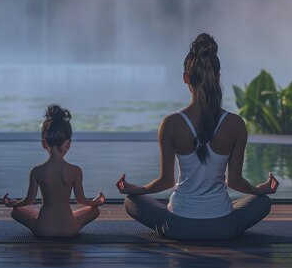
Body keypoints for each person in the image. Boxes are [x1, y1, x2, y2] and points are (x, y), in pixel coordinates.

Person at [116, 33, 279, 240]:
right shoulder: (235, 124)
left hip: (178, 226)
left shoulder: (171, 124)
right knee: (263, 202)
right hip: (223, 227)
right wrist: (259, 189)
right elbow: (235, 182)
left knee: (131, 201)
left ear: (186, 78)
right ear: (218, 76)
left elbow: (166, 181)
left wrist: (136, 189)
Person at [3, 105, 106, 237]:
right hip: (70, 228)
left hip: (43, 230)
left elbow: (28, 201)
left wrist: (14, 203)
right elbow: (81, 200)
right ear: (68, 144)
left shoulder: (37, 171)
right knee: (94, 210)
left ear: (44, 143)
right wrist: (96, 202)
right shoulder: (75, 171)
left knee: (15, 211)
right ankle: (67, 218)